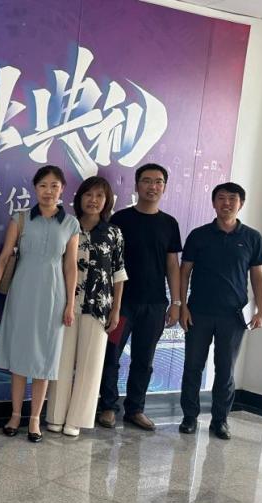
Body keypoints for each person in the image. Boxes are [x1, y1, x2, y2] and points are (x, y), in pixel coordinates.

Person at [0, 165, 80, 442]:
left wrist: (70, 305)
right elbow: (5, 256)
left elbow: (71, 266)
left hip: (53, 296)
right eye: (43, 186)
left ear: (62, 189)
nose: (48, 191)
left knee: (45, 358)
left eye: (54, 186)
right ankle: (15, 414)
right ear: (35, 188)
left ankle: (35, 418)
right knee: (19, 355)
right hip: (22, 292)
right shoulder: (21, 218)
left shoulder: (71, 224)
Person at [97, 163, 182, 431]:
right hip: (121, 304)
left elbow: (172, 265)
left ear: (164, 187)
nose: (152, 186)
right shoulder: (120, 220)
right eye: (146, 181)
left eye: (158, 182)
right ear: (136, 185)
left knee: (144, 360)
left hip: (154, 305)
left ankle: (135, 409)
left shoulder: (169, 224)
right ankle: (108, 407)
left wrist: (176, 302)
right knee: (110, 356)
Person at [178, 182, 262, 440]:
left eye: (232, 198)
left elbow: (258, 277)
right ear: (214, 203)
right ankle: (189, 417)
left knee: (225, 370)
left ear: (241, 203)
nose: (226, 203)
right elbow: (184, 272)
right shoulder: (198, 235)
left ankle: (220, 420)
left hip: (234, 316)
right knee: (193, 366)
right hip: (198, 312)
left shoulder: (252, 238)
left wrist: (261, 310)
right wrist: (182, 306)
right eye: (221, 198)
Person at [48, 177, 126, 437]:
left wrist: (116, 309)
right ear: (79, 197)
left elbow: (118, 273)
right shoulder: (66, 226)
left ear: (107, 201)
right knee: (61, 361)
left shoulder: (113, 233)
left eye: (99, 196)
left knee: (90, 365)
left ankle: (77, 419)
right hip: (65, 304)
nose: (93, 200)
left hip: (99, 306)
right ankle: (55, 416)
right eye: (88, 195)